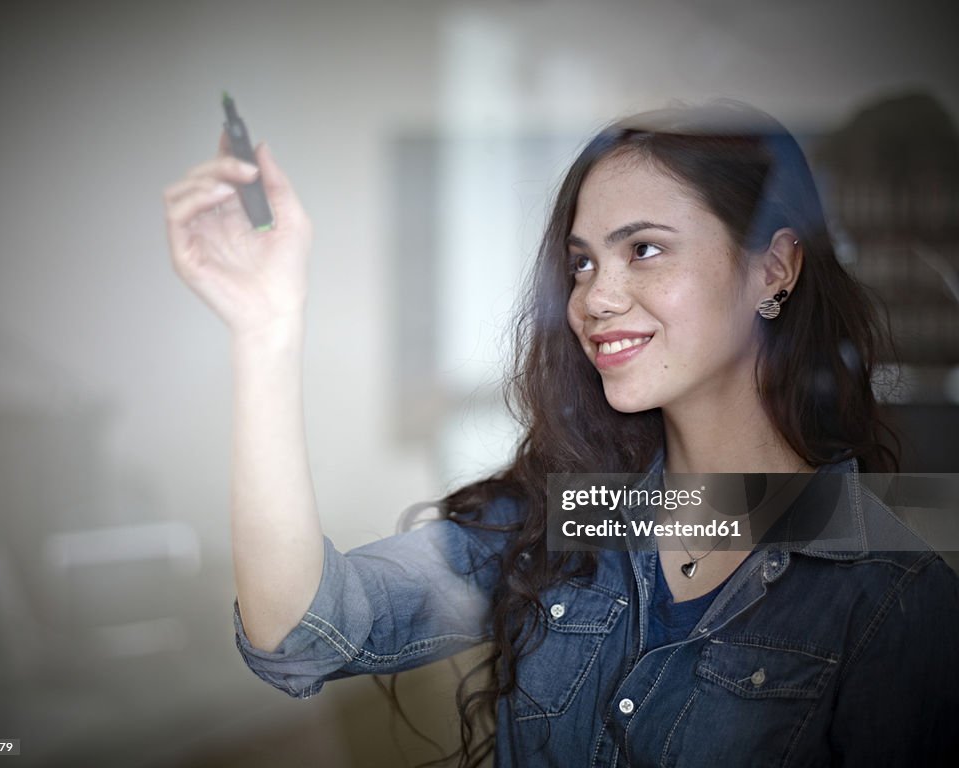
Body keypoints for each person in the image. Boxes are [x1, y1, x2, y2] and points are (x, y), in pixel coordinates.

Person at [163, 101, 959, 767]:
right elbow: (303, 635)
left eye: (643, 250)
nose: (595, 299)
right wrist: (266, 332)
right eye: (580, 264)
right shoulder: (571, 522)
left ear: (773, 270)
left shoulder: (892, 594)